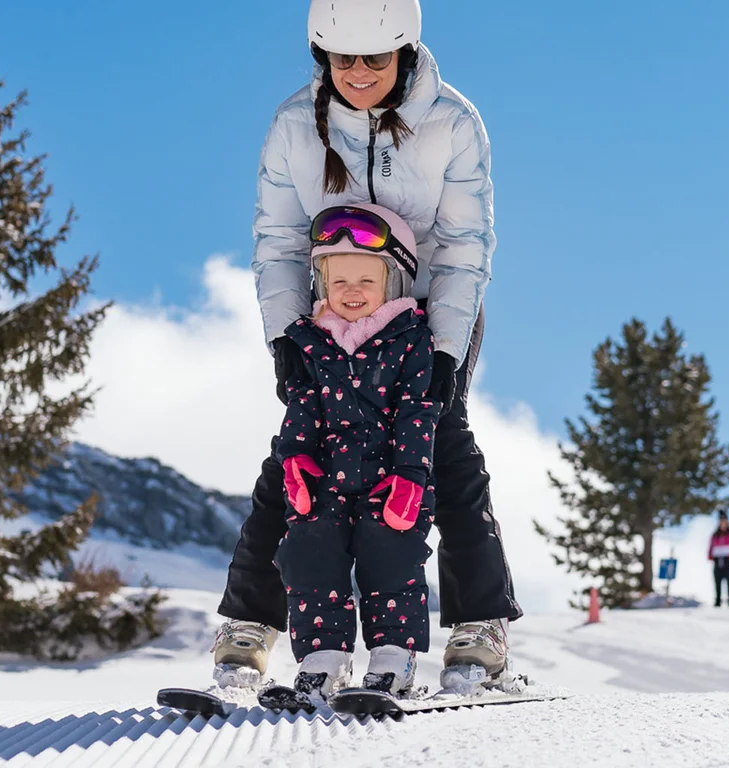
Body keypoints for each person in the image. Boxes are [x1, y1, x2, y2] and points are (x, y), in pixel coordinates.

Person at [220, 0, 520, 692]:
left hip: (430, 312)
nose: (358, 73)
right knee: (296, 457)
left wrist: (445, 350)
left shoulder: (451, 123)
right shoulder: (296, 124)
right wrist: (284, 336)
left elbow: (465, 247)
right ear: (322, 55)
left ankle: (480, 625)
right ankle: (249, 625)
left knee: (445, 446)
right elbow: (280, 238)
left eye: (375, 60)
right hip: (331, 313)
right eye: (342, 59)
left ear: (405, 53)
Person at [271, 204, 439, 702]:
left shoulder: (410, 341)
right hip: (323, 477)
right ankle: (322, 660)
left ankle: (393, 657)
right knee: (308, 555)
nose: (350, 291)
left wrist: (411, 475)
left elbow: (418, 409)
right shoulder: (309, 341)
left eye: (365, 279)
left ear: (393, 283)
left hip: (391, 479)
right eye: (337, 279)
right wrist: (295, 459)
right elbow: (301, 405)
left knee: (391, 558)